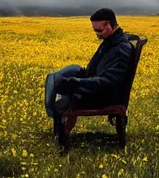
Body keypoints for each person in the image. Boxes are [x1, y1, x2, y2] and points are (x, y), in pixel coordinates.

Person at [45, 9, 142, 145]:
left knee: (61, 90)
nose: (97, 35)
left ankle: (59, 132)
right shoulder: (111, 42)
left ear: (109, 25)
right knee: (54, 78)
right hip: (99, 89)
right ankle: (56, 123)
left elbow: (108, 82)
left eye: (99, 31)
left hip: (104, 96)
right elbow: (97, 72)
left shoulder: (120, 49)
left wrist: (75, 84)